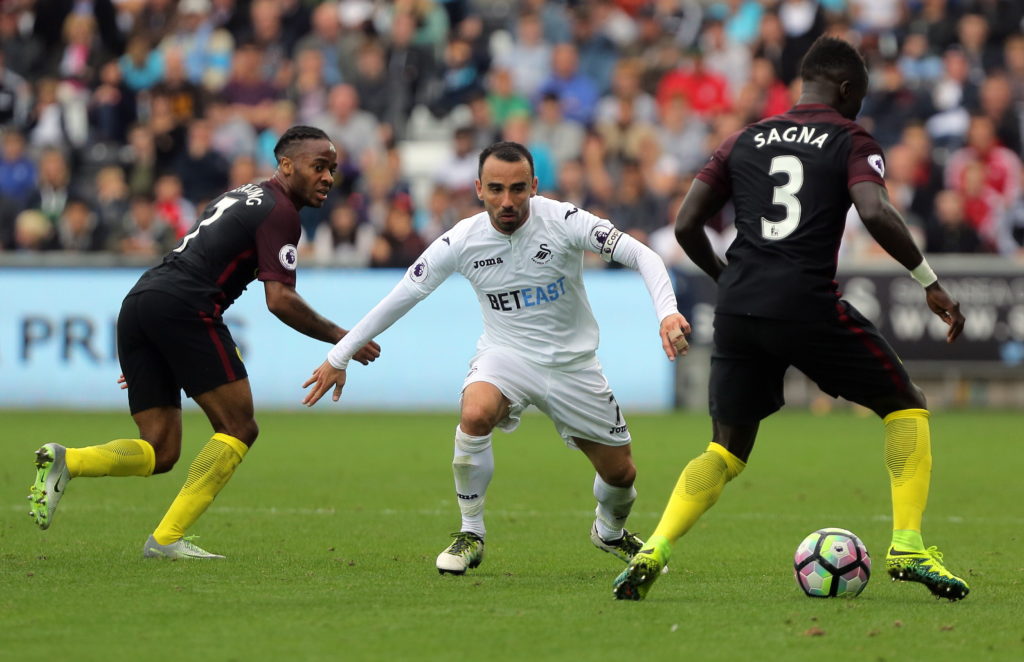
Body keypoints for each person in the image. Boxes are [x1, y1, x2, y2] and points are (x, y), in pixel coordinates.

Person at [613, 37, 970, 602]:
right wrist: (930, 282)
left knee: (724, 450)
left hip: (738, 308)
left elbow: (686, 225)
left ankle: (655, 546)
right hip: (805, 302)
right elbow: (875, 210)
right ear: (848, 89)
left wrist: (727, 278)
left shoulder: (743, 138)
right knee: (906, 403)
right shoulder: (851, 138)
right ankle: (908, 545)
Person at [302, 141, 690, 575]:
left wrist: (667, 311)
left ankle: (609, 531)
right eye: (497, 189)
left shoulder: (563, 220)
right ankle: (471, 533)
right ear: (478, 189)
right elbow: (403, 295)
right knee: (476, 412)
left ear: (534, 186)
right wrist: (340, 355)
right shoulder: (462, 239)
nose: (508, 200)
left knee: (621, 476)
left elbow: (642, 253)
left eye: (518, 189)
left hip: (573, 366)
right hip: (506, 356)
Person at [28, 126, 380, 559]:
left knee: (160, 449)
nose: (328, 177)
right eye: (319, 166)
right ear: (286, 165)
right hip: (184, 308)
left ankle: (69, 461)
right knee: (239, 426)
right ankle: (165, 540)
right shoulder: (281, 212)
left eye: (333, 169)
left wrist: (162, 350)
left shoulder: (245, 193)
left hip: (142, 302)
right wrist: (346, 339)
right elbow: (280, 300)